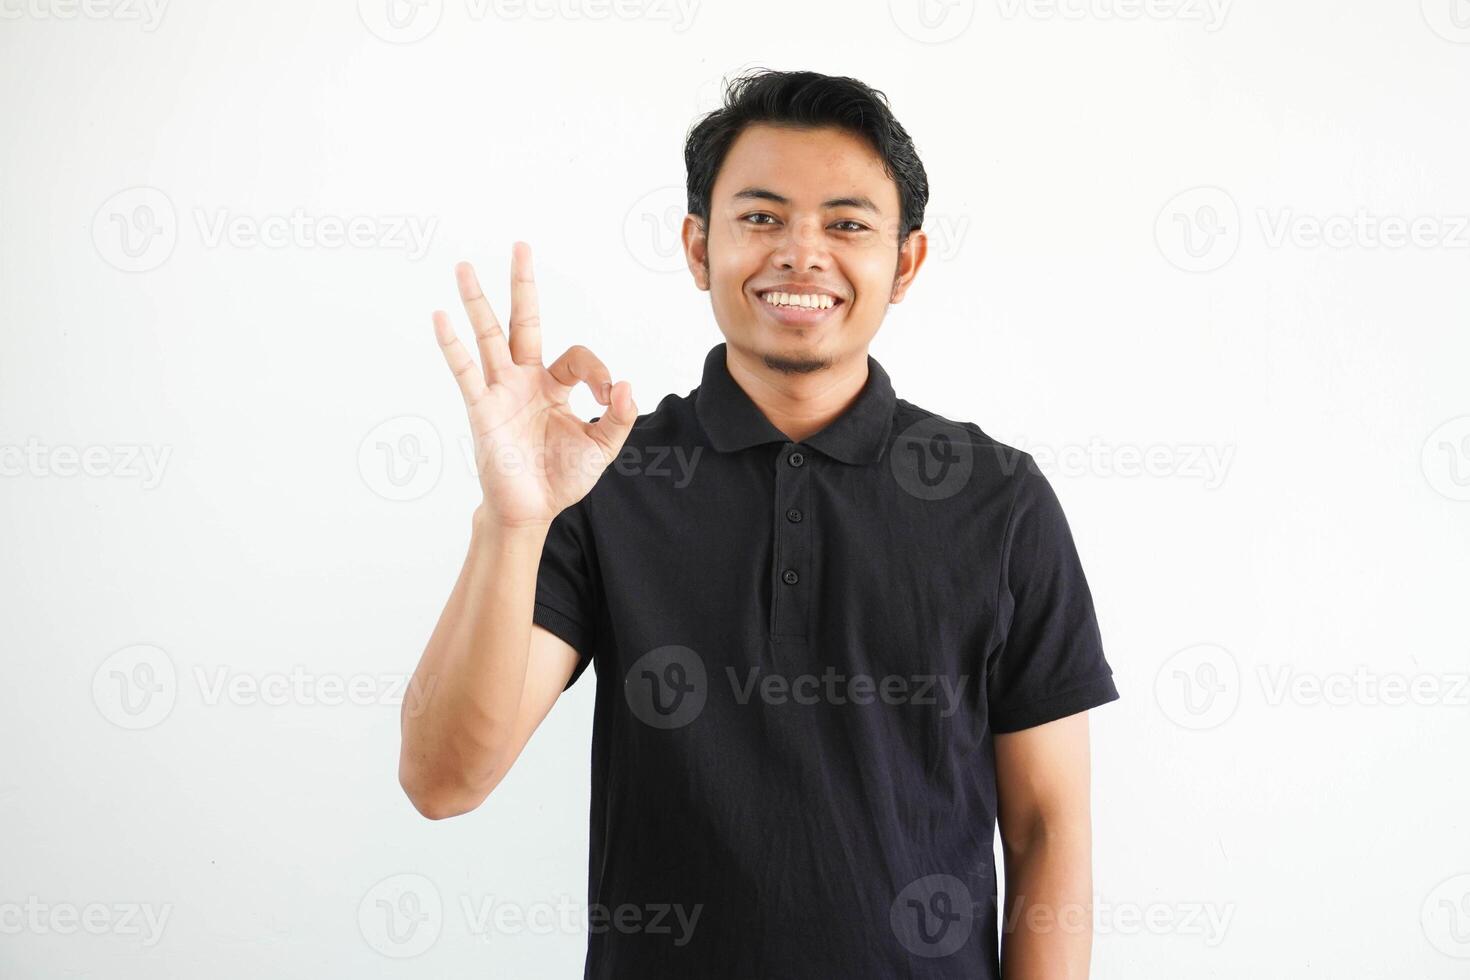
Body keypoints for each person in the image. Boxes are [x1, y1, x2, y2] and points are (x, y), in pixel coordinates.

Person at [399, 68, 1120, 979]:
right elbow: (441, 781)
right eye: (762, 217)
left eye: (848, 224)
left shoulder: (999, 500)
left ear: (905, 263)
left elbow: (1049, 828)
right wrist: (512, 522)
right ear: (699, 247)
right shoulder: (608, 481)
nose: (801, 254)